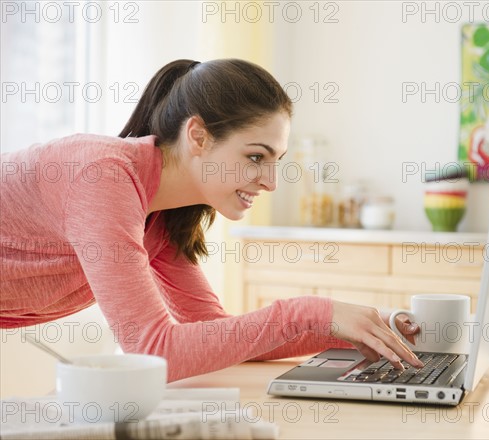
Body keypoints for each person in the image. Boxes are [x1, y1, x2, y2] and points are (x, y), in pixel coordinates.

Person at [0, 59, 423, 382]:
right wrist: (312, 311)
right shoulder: (103, 177)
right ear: (198, 136)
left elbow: (214, 334)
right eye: (255, 157)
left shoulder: (158, 218)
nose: (272, 182)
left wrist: (360, 329)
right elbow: (154, 350)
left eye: (276, 160)